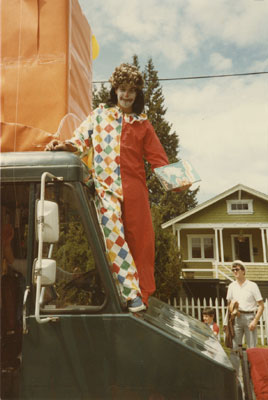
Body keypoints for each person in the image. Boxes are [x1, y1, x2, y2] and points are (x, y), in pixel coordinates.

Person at [45, 63, 169, 312]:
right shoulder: (100, 115)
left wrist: (176, 182)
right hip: (106, 188)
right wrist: (63, 146)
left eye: (131, 90)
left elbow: (158, 159)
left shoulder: (142, 124)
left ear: (137, 94)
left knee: (142, 243)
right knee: (114, 236)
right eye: (122, 89)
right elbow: (79, 140)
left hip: (135, 189)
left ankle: (144, 294)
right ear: (115, 90)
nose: (126, 95)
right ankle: (131, 294)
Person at [226, 260, 264, 374]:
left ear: (243, 271)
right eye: (233, 270)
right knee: (234, 349)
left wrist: (255, 321)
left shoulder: (252, 286)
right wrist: (233, 310)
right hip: (236, 319)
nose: (234, 272)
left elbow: (261, 306)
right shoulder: (232, 286)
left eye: (237, 269)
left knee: (252, 349)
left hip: (249, 318)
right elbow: (229, 304)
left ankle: (253, 375)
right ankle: (236, 376)